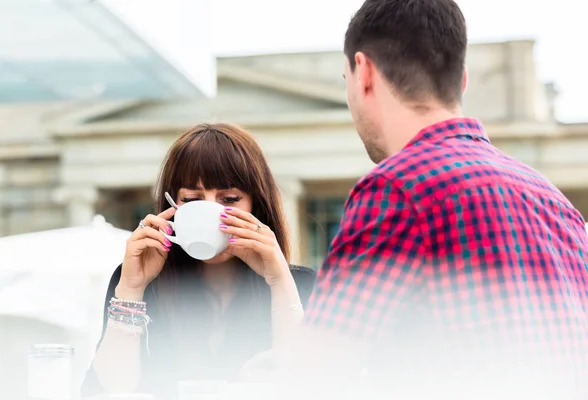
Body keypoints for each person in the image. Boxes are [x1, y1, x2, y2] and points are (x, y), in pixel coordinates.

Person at [242, 0, 588, 399]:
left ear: (364, 73)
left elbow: (317, 378)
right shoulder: (552, 201)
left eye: (346, 79)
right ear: (462, 81)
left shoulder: (398, 188)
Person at [82, 123, 316, 399]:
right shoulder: (140, 281)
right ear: (172, 206)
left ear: (256, 204)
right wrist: (131, 289)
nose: (211, 212)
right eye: (192, 199)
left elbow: (309, 386)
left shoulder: (298, 283)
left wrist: (279, 281)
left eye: (229, 199)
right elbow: (107, 390)